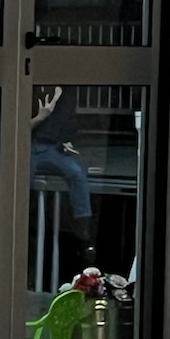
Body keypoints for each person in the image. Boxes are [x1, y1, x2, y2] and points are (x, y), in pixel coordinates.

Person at [30, 85, 96, 263]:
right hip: (28, 144)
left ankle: (83, 228)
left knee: (76, 172)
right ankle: (21, 219)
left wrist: (67, 140)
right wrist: (40, 117)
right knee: (21, 175)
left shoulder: (68, 94)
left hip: (53, 147)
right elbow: (17, 128)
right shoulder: (31, 90)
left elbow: (70, 123)